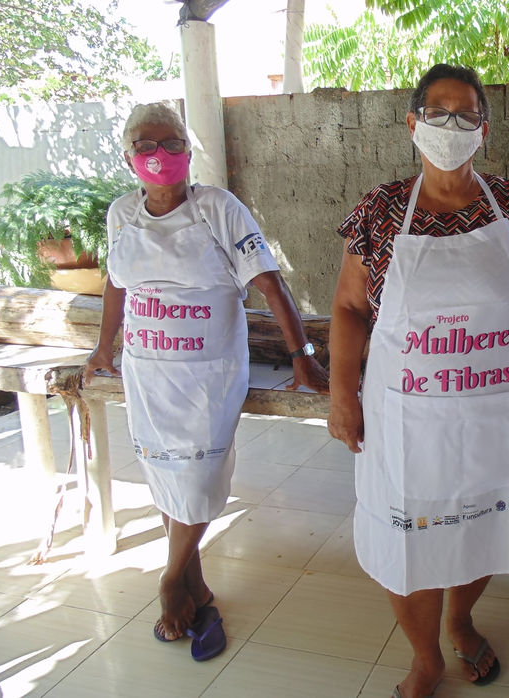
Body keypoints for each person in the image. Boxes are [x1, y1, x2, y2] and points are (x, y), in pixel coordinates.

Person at [328, 64, 509, 698]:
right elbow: (350, 309)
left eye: (467, 116)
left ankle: (460, 618)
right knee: (405, 532)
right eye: (439, 114)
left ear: (484, 130)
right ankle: (424, 656)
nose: (452, 127)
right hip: (404, 422)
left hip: (493, 416)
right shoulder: (380, 212)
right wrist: (341, 394)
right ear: (413, 124)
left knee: (482, 523)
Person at [84, 102, 329, 654]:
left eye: (170, 143)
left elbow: (269, 283)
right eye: (145, 145)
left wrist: (302, 355)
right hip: (145, 371)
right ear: (128, 157)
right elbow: (116, 285)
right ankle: (195, 581)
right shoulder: (122, 213)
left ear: (187, 153)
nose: (158, 154)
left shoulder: (218, 207)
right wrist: (104, 348)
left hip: (208, 375)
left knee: (197, 478)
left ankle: (171, 580)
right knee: (164, 478)